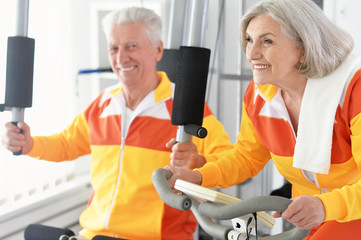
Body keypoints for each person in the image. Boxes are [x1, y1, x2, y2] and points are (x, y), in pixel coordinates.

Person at [1, 7, 232, 240]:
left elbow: (227, 161)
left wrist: (199, 163)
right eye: (114, 48)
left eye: (132, 46)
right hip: (94, 235)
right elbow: (65, 144)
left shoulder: (186, 109)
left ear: (158, 50)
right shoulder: (103, 104)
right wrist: (28, 143)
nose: (121, 58)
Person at [165, 0, 361, 239]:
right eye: (249, 40)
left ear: (303, 48)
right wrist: (199, 176)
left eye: (266, 41)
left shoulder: (353, 89)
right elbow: (247, 157)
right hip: (312, 214)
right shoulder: (260, 94)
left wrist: (325, 206)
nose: (251, 53)